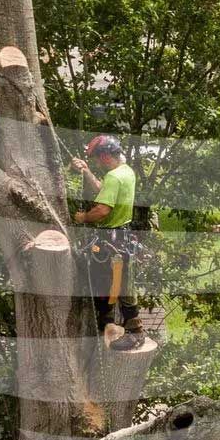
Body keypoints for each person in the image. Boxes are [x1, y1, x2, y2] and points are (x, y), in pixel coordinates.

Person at [69, 134, 146, 351]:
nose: (95, 162)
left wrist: (83, 218)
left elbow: (103, 209)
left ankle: (132, 331)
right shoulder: (126, 172)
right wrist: (86, 172)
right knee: (114, 283)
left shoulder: (114, 177)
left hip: (111, 240)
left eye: (94, 159)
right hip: (121, 238)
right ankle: (110, 326)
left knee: (113, 285)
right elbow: (103, 190)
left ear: (103, 156)